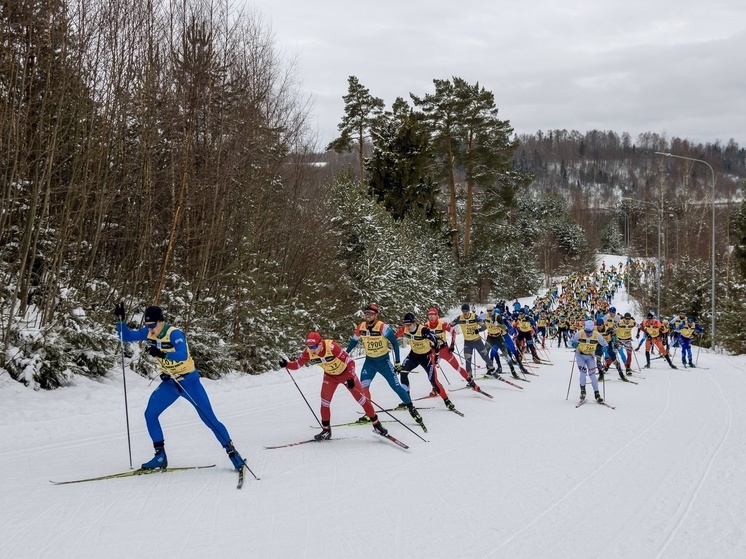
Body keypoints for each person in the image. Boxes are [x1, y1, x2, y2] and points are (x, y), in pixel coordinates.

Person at [115, 303, 246, 471]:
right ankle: (160, 456)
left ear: (161, 322)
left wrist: (162, 353)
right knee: (150, 414)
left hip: (189, 382)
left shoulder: (174, 333)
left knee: (209, 418)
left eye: (153, 325)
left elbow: (182, 355)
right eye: (147, 326)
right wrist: (121, 320)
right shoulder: (148, 332)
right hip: (170, 384)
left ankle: (233, 454)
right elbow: (125, 337)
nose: (150, 329)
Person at [280, 332, 388, 440]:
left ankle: (377, 424)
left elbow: (350, 362)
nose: (312, 350)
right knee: (324, 402)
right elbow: (297, 364)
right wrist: (287, 365)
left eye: (314, 347)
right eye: (310, 347)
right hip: (330, 377)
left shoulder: (331, 347)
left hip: (346, 373)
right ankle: (326, 430)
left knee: (361, 399)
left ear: (320, 343)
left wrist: (350, 377)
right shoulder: (308, 352)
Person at [345, 303, 426, 431]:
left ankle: (411, 407)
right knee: (363, 388)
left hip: (383, 362)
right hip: (369, 362)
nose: (367, 316)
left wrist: (397, 362)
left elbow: (394, 343)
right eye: (366, 314)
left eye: (370, 314)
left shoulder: (382, 327)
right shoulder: (361, 327)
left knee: (396, 386)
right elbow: (353, 342)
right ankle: (369, 414)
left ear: (375, 315)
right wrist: (345, 354)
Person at [395, 313, 456, 411]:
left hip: (426, 356)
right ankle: (407, 400)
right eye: (406, 325)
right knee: (403, 372)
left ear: (414, 323)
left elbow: (435, 340)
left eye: (409, 325)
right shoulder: (405, 329)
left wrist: (436, 355)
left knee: (433, 381)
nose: (407, 327)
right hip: (413, 355)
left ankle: (447, 401)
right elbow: (394, 336)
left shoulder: (423, 330)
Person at [424, 307, 481, 391]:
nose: (431, 317)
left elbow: (453, 332)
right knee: (432, 370)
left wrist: (452, 345)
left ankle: (472, 383)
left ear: (437, 316)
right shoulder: (425, 326)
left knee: (457, 367)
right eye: (429, 316)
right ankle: (435, 388)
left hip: (444, 350)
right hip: (432, 350)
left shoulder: (442, 324)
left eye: (433, 315)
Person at [450, 303, 495, 379]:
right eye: (463, 311)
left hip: (477, 341)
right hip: (467, 343)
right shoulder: (459, 318)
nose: (465, 313)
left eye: (466, 311)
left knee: (485, 357)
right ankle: (469, 378)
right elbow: (449, 325)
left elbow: (484, 326)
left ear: (469, 311)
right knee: (468, 362)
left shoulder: (474, 317)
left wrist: (479, 330)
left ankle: (492, 370)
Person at [570, 320, 607, 403]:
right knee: (583, 373)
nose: (588, 334)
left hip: (590, 356)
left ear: (593, 330)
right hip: (580, 355)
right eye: (587, 331)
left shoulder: (597, 335)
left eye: (590, 332)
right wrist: (573, 344)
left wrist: (605, 348)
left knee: (592, 375)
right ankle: (583, 391)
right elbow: (570, 341)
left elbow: (605, 344)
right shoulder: (579, 333)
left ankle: (597, 394)